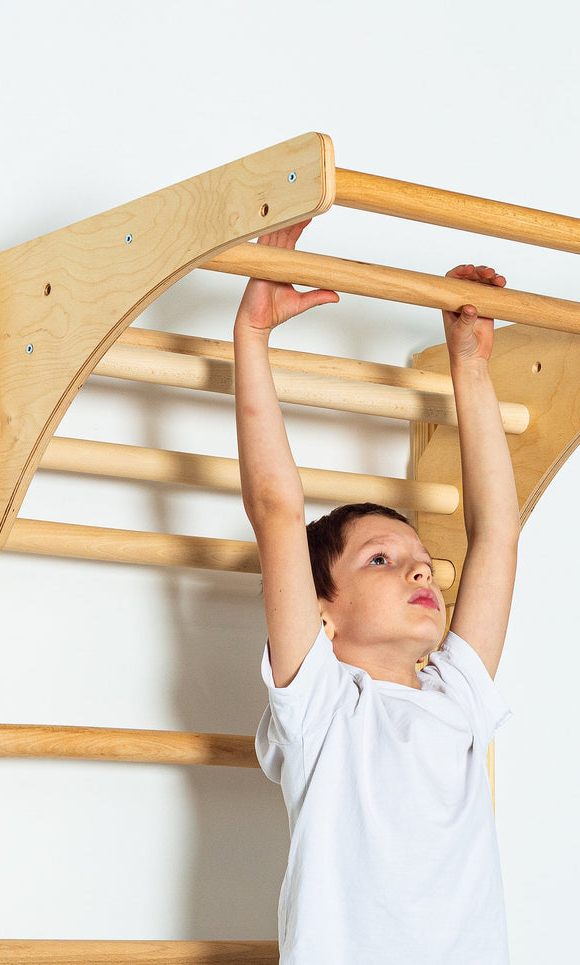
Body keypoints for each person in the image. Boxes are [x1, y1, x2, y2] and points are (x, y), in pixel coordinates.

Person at [235, 218, 522, 964]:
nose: (419, 570)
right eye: (381, 560)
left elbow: (496, 532)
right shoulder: (324, 709)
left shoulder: (457, 696)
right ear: (321, 611)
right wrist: (252, 337)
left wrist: (470, 363)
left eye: (420, 559)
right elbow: (276, 507)